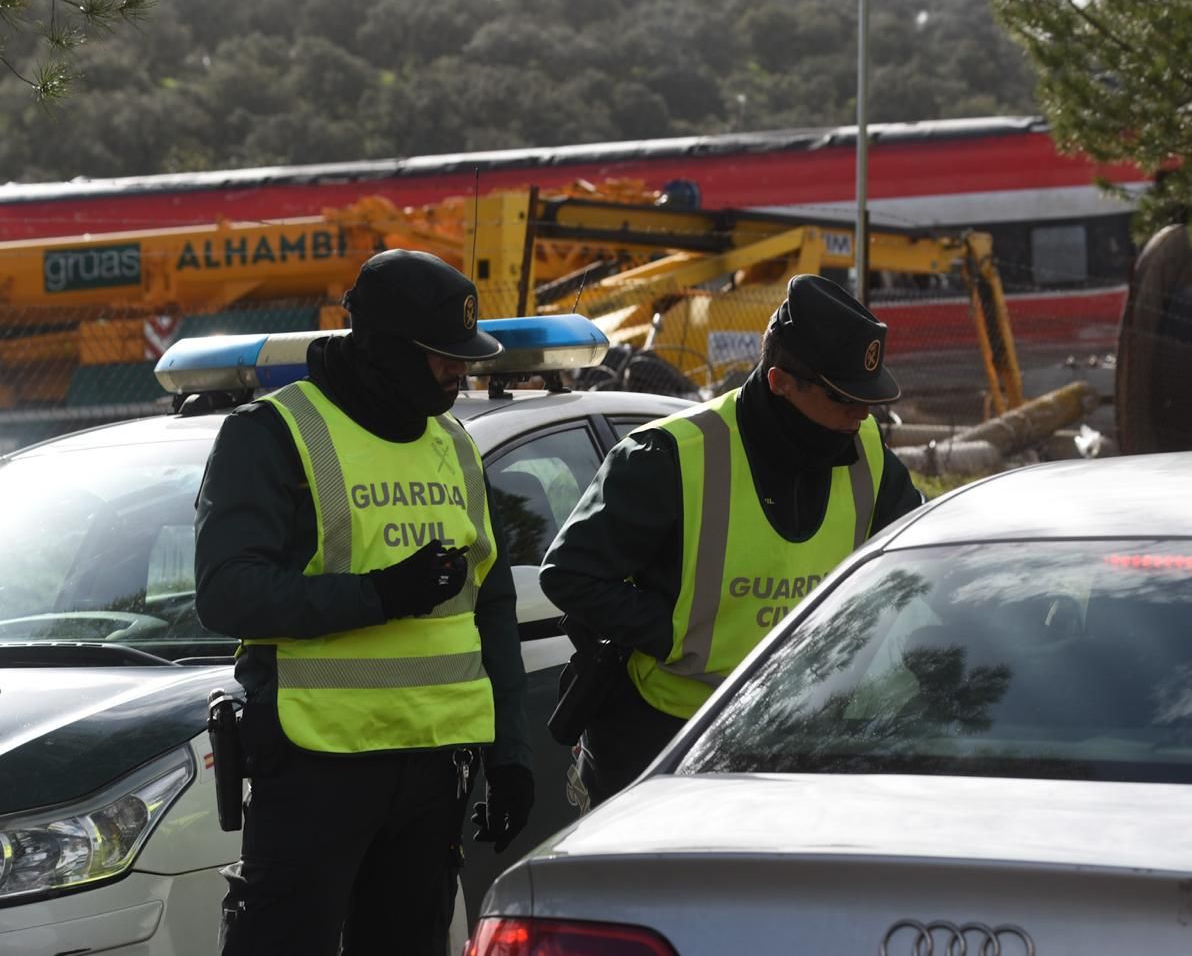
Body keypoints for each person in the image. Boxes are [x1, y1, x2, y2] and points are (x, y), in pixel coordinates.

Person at [194, 250, 536, 956]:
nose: (458, 370)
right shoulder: (273, 435)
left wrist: (509, 755)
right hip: (317, 766)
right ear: (382, 347)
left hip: (433, 771)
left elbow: (491, 604)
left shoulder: (455, 445)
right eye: (441, 354)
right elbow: (226, 593)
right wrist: (381, 595)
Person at [540, 273, 924, 808]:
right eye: (843, 398)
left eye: (868, 399)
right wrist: (677, 633)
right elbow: (570, 574)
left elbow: (920, 560)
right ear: (781, 382)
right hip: (670, 742)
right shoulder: (670, 456)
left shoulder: (867, 452)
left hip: (802, 733)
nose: (862, 414)